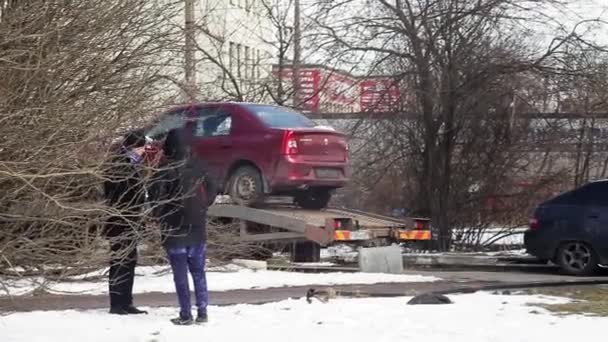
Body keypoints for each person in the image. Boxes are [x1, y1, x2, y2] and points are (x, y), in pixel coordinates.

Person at [149, 128, 218, 325]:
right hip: (197, 226)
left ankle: (185, 314)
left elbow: (155, 198)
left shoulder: (164, 170)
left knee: (180, 275)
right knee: (198, 272)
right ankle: (202, 312)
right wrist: (204, 205)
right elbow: (213, 187)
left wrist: (160, 215)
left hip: (173, 228)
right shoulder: (199, 166)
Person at [102, 129, 148, 315]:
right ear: (135, 147)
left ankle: (126, 301)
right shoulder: (119, 165)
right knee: (120, 261)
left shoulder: (131, 164)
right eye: (143, 147)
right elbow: (119, 194)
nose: (144, 151)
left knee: (129, 261)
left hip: (131, 221)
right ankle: (117, 303)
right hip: (121, 221)